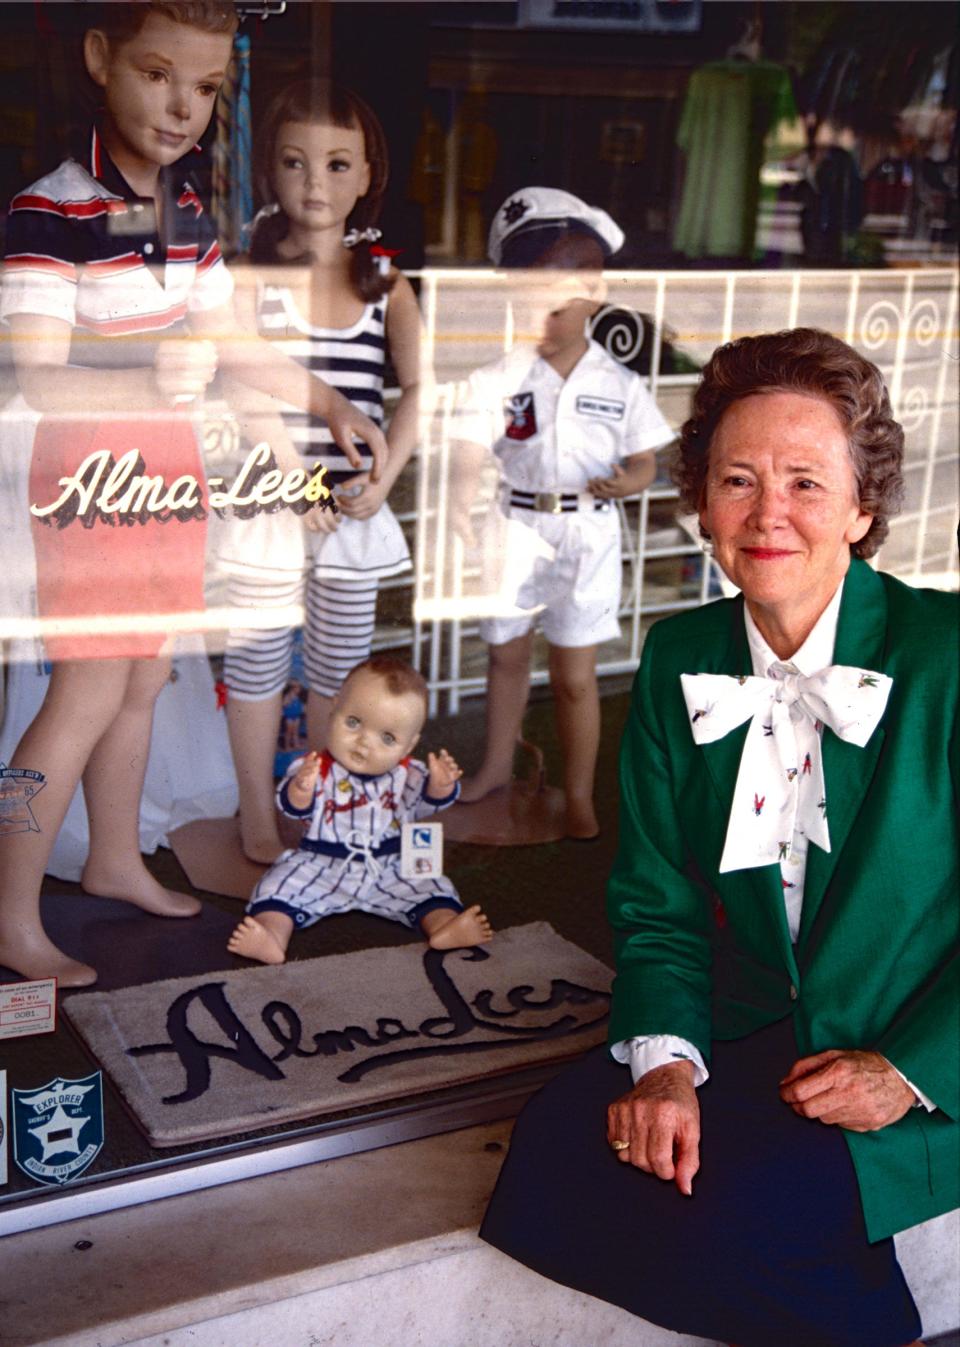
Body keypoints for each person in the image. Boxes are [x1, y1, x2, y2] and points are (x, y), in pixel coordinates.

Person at [481, 328, 958, 1347]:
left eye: (804, 481)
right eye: (737, 480)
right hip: (747, 1042)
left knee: (758, 1204)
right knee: (555, 1150)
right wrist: (662, 1066)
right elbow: (656, 903)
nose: (767, 513)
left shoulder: (950, 655)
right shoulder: (677, 655)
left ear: (864, 506)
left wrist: (906, 1070)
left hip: (917, 1059)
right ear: (702, 505)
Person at [0, 2, 388, 988]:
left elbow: (229, 344)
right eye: (158, 73)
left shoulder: (182, 211)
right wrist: (149, 375)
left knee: (140, 679)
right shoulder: (52, 209)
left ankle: (117, 859)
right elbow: (35, 376)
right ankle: (10, 910)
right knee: (85, 687)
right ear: (100, 60)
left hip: (168, 477)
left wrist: (329, 402)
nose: (183, 105)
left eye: (206, 86)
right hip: (91, 485)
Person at [218, 78, 424, 865]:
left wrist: (386, 476)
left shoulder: (384, 284)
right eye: (297, 162)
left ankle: (329, 803)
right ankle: (255, 815)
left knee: (343, 671)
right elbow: (242, 383)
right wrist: (291, 477)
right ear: (270, 170)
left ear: (369, 174)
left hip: (352, 511)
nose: (316, 183)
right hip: (270, 503)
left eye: (339, 165)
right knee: (259, 656)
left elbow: (417, 392)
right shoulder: (248, 277)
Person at [452, 187, 675, 839]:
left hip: (586, 530)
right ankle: (497, 765)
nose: (545, 315)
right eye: (529, 300)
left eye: (560, 300)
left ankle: (578, 792)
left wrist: (626, 481)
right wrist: (461, 507)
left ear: (595, 293)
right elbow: (469, 449)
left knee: (576, 675)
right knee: (506, 656)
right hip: (515, 524)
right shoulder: (498, 376)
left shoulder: (619, 382)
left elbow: (646, 462)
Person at [227, 656, 493, 964]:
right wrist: (301, 789)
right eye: (353, 723)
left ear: (408, 746)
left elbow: (425, 803)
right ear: (335, 708)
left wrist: (441, 786)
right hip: (321, 864)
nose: (364, 742)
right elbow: (293, 806)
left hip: (390, 865)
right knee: (279, 887)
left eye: (387, 737)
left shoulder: (409, 774)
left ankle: (445, 924)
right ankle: (272, 933)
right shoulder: (315, 768)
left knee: (430, 888)